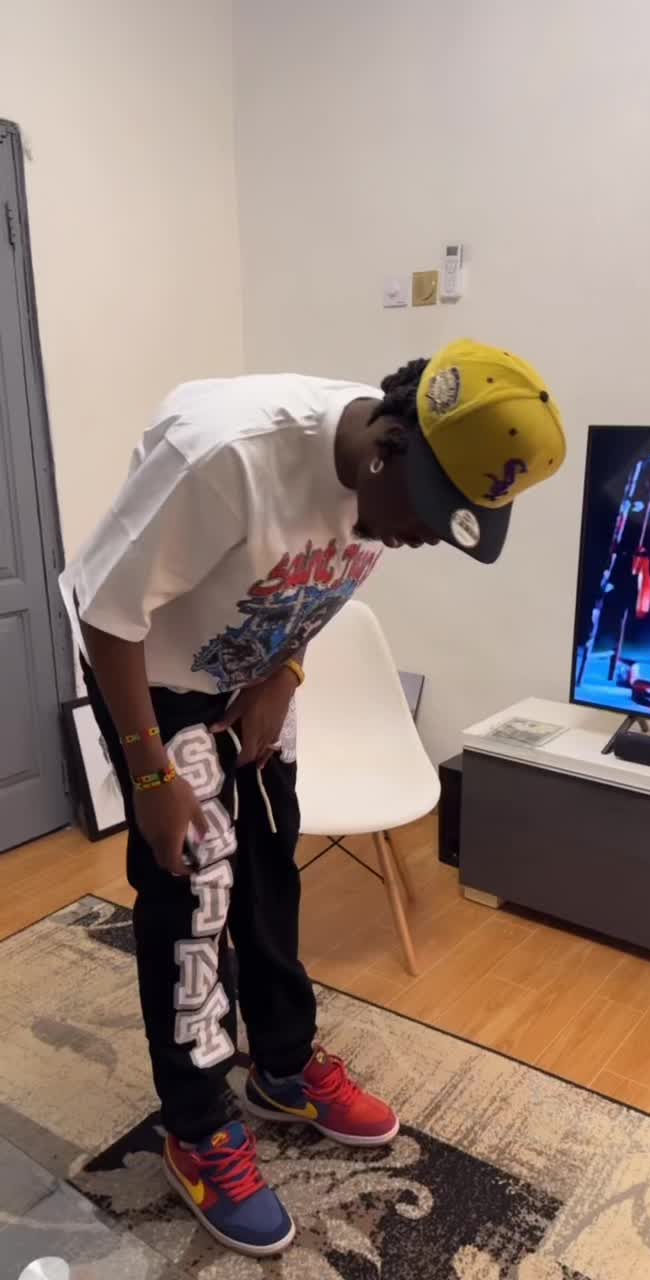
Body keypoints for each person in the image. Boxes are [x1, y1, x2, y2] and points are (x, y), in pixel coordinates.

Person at [60, 340, 565, 1257]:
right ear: (387, 449)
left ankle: (283, 1069)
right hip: (155, 678)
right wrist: (151, 776)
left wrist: (283, 674)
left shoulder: (394, 480)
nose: (425, 537)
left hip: (252, 672)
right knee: (195, 893)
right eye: (429, 514)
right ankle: (197, 1127)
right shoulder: (228, 459)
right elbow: (106, 612)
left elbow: (316, 583)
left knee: (268, 868)